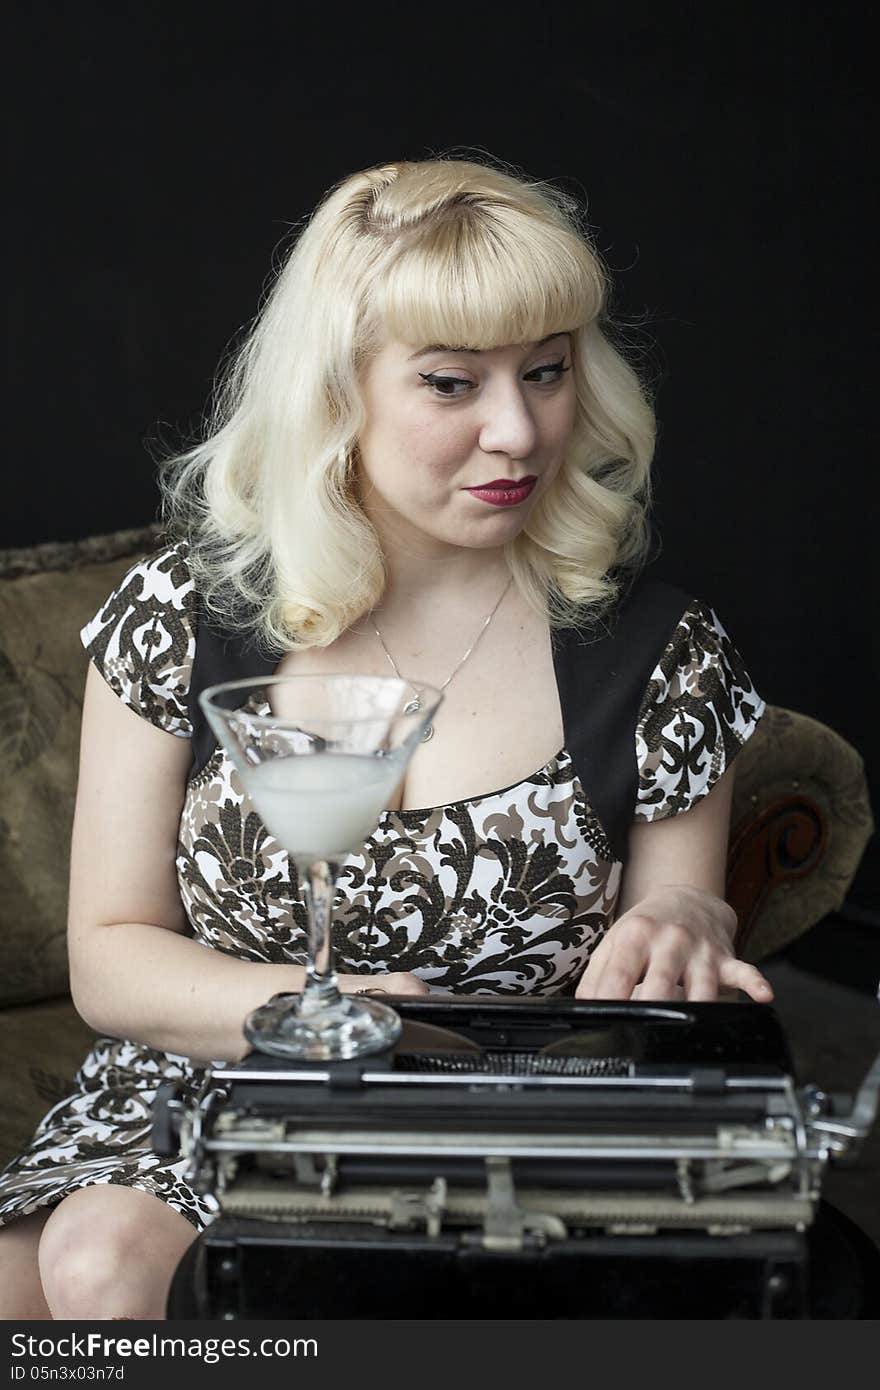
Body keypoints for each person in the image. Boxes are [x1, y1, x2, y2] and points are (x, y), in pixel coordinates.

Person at [0, 155, 773, 1319]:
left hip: (488, 1121)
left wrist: (686, 913)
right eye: (453, 383)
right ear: (336, 388)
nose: (518, 430)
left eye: (549, 370)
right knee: (37, 1278)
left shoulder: (657, 650)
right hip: (207, 1075)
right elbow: (109, 957)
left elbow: (675, 929)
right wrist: (328, 1006)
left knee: (102, 1266)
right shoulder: (185, 611)